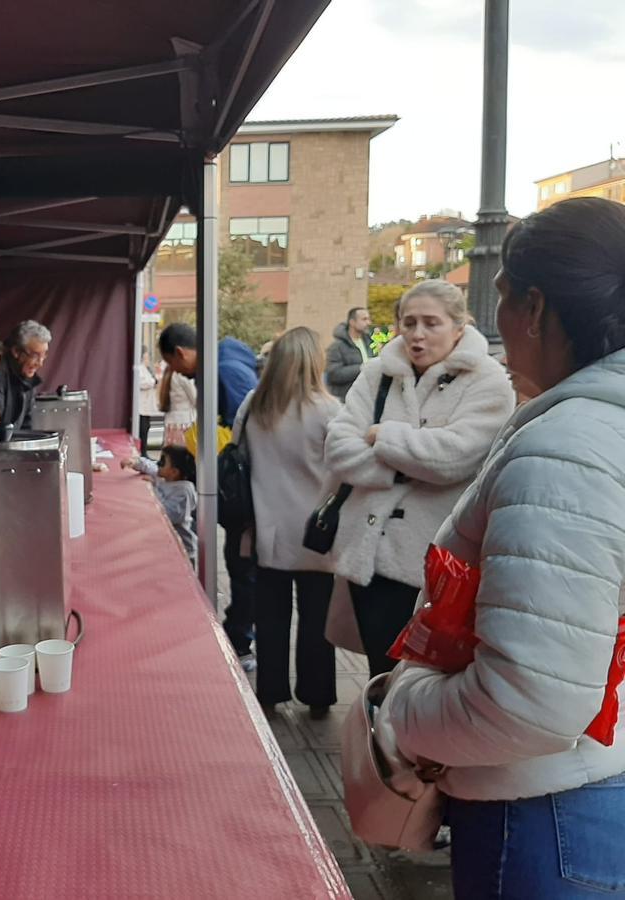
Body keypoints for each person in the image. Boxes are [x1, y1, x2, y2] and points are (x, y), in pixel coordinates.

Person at [379, 197, 625, 897]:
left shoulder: (567, 449)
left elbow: (530, 703)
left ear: (536, 308)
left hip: (546, 814)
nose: (497, 330)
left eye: (502, 301)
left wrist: (404, 709)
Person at [324, 280, 514, 677]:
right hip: (368, 555)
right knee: (381, 674)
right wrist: (412, 464)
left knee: (422, 681)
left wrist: (382, 435)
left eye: (431, 323)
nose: (417, 333)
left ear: (459, 327)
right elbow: (339, 449)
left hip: (435, 564)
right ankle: (376, 738)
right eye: (408, 322)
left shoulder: (488, 380)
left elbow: (453, 456)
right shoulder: (378, 373)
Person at [236, 327, 340, 717]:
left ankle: (271, 690)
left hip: (268, 529)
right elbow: (345, 467)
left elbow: (240, 457)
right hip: (317, 534)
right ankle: (318, 695)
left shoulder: (254, 406)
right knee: (317, 620)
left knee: (271, 616)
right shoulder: (331, 410)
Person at [159, 323, 260, 668]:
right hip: (240, 487)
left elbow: (245, 428)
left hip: (244, 491)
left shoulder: (226, 371)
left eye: (175, 367)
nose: (179, 374)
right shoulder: (222, 364)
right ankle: (241, 631)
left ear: (181, 353)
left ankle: (242, 640)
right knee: (239, 561)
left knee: (242, 562)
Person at [120, 444, 198, 568]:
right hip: (165, 546)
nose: (158, 464)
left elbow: (168, 514)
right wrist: (134, 462)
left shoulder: (184, 491)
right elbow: (150, 466)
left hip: (181, 550)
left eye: (162, 462)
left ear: (174, 472)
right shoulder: (165, 476)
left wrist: (153, 489)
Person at [0, 319, 50, 430]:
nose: (40, 363)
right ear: (16, 351)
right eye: (35, 355)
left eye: (44, 355)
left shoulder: (27, 379)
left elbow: (27, 425)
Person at [325, 306, 373, 399]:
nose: (368, 323)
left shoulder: (368, 342)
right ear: (352, 322)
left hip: (364, 399)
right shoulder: (337, 346)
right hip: (344, 400)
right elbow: (333, 374)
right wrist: (361, 368)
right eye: (364, 319)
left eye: (369, 319)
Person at [157, 365, 196, 446]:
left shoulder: (168, 372)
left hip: (171, 422)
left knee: (172, 454)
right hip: (184, 421)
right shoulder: (182, 376)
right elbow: (195, 399)